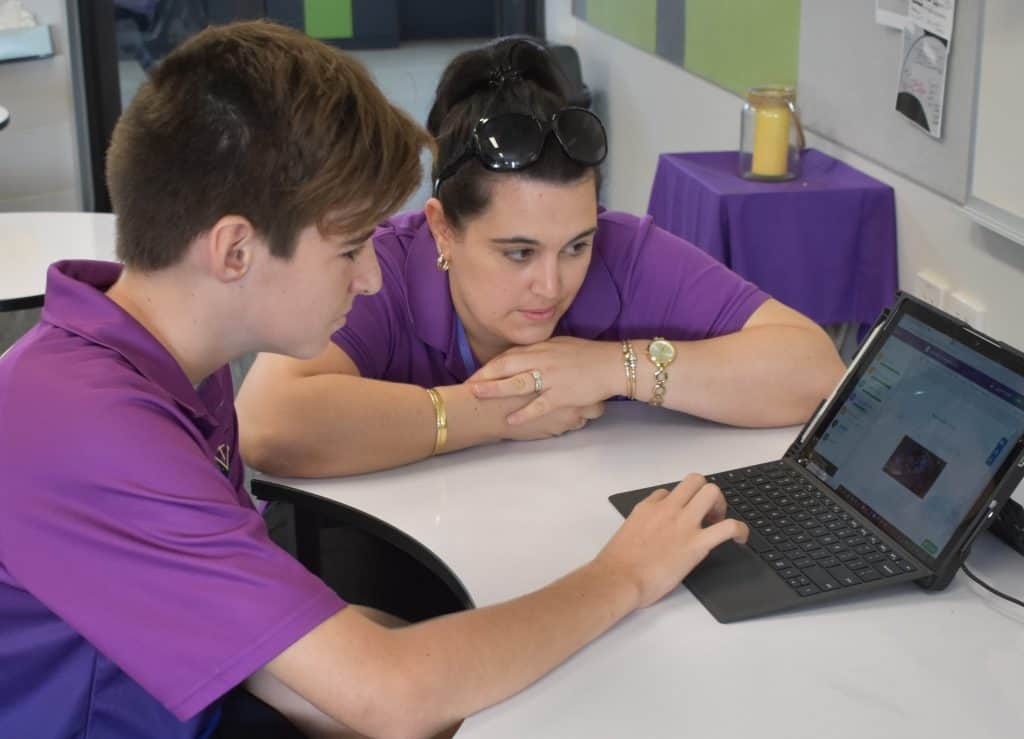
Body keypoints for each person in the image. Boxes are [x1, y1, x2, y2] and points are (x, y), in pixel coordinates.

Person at [0, 22, 747, 739]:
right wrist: (622, 576)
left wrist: (457, 663)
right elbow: (391, 696)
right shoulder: (85, 428)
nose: (368, 277)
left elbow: (286, 665)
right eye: (350, 246)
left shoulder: (163, 368)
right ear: (234, 251)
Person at [236, 37, 846, 479]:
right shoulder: (381, 271)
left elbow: (815, 372)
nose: (552, 285)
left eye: (576, 245)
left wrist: (616, 368)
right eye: (518, 252)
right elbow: (267, 423)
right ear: (442, 230)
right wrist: (491, 414)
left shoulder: (626, 251)